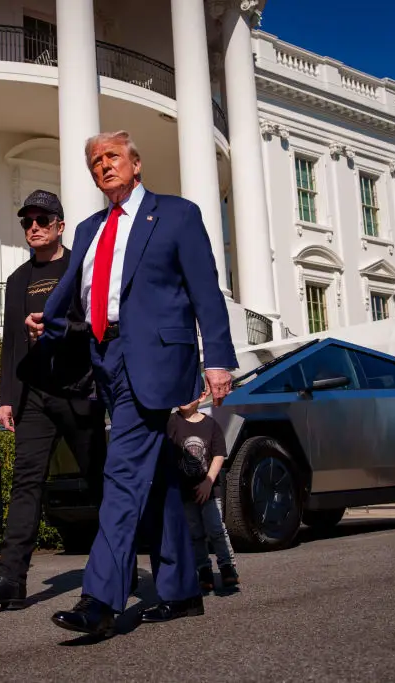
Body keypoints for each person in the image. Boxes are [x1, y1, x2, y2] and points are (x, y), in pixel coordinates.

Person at [26, 130, 237, 637]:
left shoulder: (177, 214)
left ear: (136, 164)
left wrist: (219, 360)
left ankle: (99, 599)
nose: (104, 166)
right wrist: (48, 323)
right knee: (157, 475)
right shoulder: (90, 227)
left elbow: (205, 291)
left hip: (158, 358)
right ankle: (183, 589)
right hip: (107, 358)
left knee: (121, 475)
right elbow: (80, 295)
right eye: (95, 161)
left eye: (113, 157)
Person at [0, 189, 107, 610]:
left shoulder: (82, 267)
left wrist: (59, 329)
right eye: (27, 221)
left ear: (60, 224)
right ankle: (10, 578)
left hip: (80, 391)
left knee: (100, 480)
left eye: (43, 220)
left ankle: (118, 562)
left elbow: (97, 325)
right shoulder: (17, 280)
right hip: (35, 396)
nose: (34, 228)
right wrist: (8, 397)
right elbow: (11, 344)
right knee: (26, 484)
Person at [169, 388, 240, 592]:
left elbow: (219, 455)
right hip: (184, 491)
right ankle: (203, 570)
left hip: (209, 489)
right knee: (195, 533)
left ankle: (227, 567)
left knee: (216, 529)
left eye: (188, 393)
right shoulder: (172, 422)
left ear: (201, 396)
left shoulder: (211, 425)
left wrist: (209, 481)